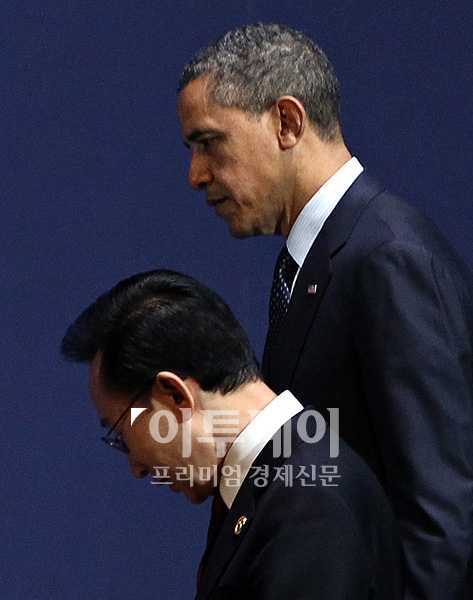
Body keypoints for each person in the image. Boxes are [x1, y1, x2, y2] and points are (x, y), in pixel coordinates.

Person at [177, 23, 473, 599]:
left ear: (287, 122)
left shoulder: (389, 258)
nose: (196, 175)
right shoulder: (318, 261)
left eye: (209, 142)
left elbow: (444, 521)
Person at [61, 269, 403, 599]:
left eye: (122, 435)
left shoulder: (310, 504)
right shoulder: (281, 486)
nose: (136, 468)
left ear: (174, 396)